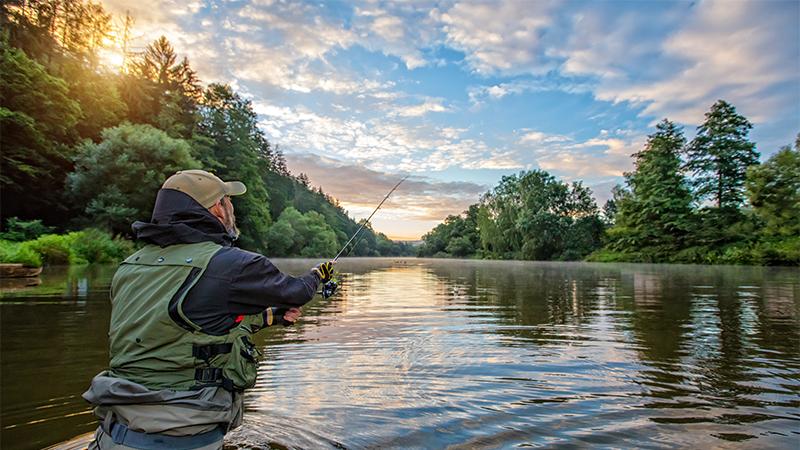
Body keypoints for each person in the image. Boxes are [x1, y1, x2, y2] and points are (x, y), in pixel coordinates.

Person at [83, 169, 335, 449]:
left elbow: (179, 324)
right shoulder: (235, 264)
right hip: (183, 437)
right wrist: (317, 274)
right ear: (217, 209)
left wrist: (270, 317)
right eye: (229, 202)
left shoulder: (131, 266)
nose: (233, 211)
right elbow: (296, 293)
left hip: (111, 432)